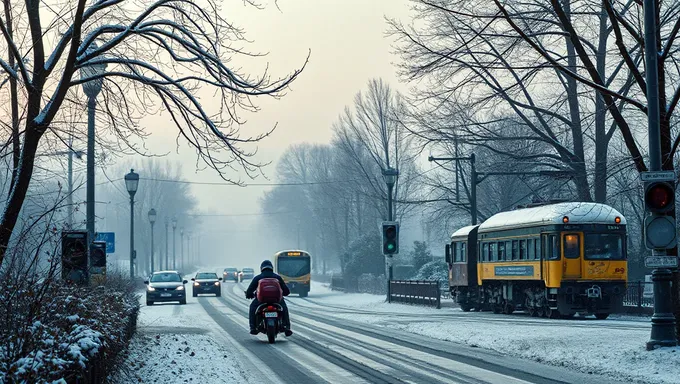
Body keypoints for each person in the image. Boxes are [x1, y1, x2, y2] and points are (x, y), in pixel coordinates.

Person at [245, 260, 293, 337]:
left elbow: (250, 290)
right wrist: (283, 293)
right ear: (271, 268)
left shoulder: (258, 278)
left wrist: (249, 294)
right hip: (277, 300)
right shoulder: (277, 277)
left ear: (262, 268)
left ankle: (253, 327)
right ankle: (286, 327)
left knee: (252, 307)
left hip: (261, 300)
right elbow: (286, 291)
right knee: (284, 309)